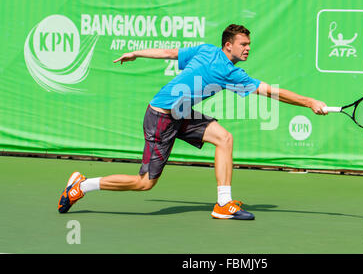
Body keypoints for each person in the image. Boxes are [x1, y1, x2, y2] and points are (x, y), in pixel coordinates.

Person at [58, 24, 328, 220]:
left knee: (224, 138)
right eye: (243, 44)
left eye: (248, 44)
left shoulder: (219, 60)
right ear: (228, 45)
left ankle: (223, 203)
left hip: (182, 113)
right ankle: (81, 186)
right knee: (144, 183)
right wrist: (309, 102)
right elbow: (169, 52)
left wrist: (136, 53)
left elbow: (169, 53)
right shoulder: (218, 62)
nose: (247, 49)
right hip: (161, 117)